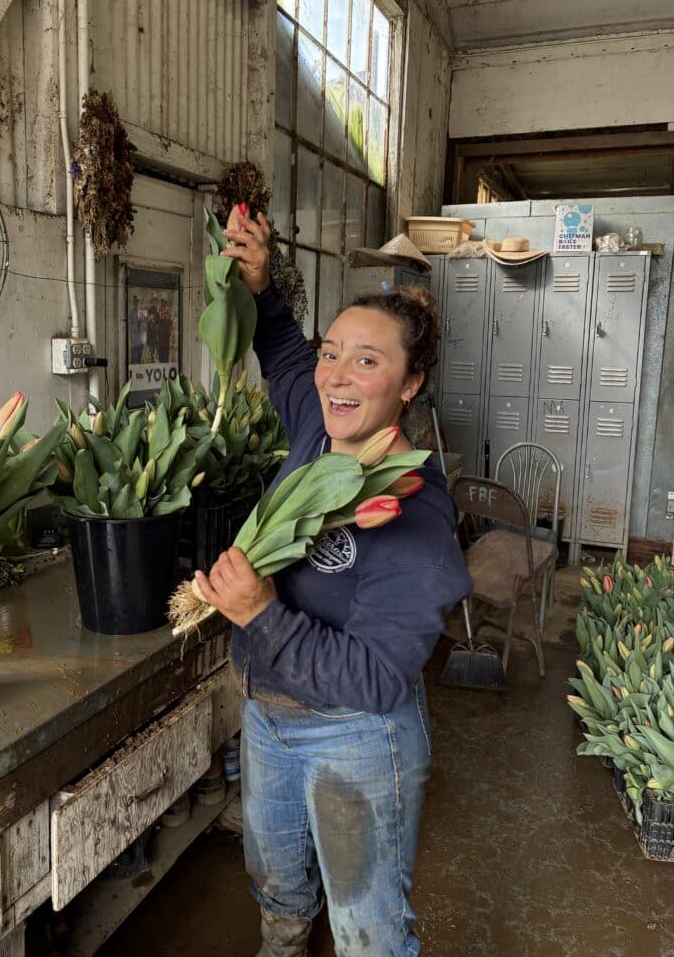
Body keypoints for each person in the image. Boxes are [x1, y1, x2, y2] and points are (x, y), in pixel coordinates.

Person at [194, 211, 472, 957]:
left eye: (367, 362)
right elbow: (286, 357)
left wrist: (260, 612)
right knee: (279, 887)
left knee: (368, 929)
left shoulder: (416, 516)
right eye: (333, 353)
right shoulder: (320, 430)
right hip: (268, 717)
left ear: (411, 382)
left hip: (355, 733)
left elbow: (380, 679)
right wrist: (262, 284)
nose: (336, 375)